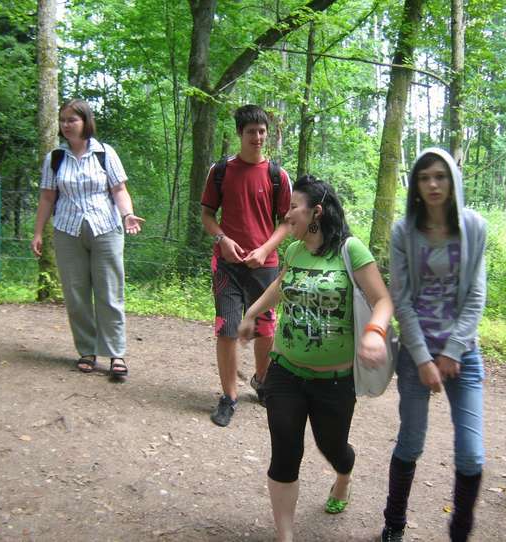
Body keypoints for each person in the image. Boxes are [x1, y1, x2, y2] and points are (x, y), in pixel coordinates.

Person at [238, 175, 393, 542]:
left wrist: (375, 332)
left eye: (294, 207)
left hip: (334, 381)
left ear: (317, 212)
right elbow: (280, 286)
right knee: (284, 452)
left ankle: (343, 476)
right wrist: (252, 313)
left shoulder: (351, 250)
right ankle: (285, 536)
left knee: (333, 447)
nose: (287, 214)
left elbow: (383, 300)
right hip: (285, 372)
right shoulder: (293, 251)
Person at [380, 148, 487, 542]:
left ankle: (460, 532)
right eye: (424, 177)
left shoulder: (474, 227)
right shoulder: (403, 232)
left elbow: (476, 295)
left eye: (440, 176)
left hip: (464, 355)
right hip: (415, 352)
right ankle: (394, 523)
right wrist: (424, 359)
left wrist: (453, 351)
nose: (433, 184)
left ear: (453, 180)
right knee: (411, 441)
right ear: (416, 185)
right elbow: (401, 298)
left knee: (471, 453)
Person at [30, 99, 144, 378]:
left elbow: (119, 190)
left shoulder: (105, 153)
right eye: (63, 120)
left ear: (85, 122)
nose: (66, 125)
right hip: (67, 231)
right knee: (76, 295)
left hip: (106, 229)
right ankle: (87, 350)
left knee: (110, 292)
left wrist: (128, 214)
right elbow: (47, 198)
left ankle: (116, 354)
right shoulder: (55, 158)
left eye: (72, 120)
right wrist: (37, 232)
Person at [200, 104, 292, 427]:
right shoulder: (221, 171)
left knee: (265, 329)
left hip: (265, 266)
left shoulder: (278, 176)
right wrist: (223, 239)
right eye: (251, 131)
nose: (257, 137)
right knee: (226, 329)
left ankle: (262, 381)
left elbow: (287, 222)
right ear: (240, 133)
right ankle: (229, 396)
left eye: (262, 131)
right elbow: (207, 214)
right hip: (227, 265)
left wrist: (265, 249)